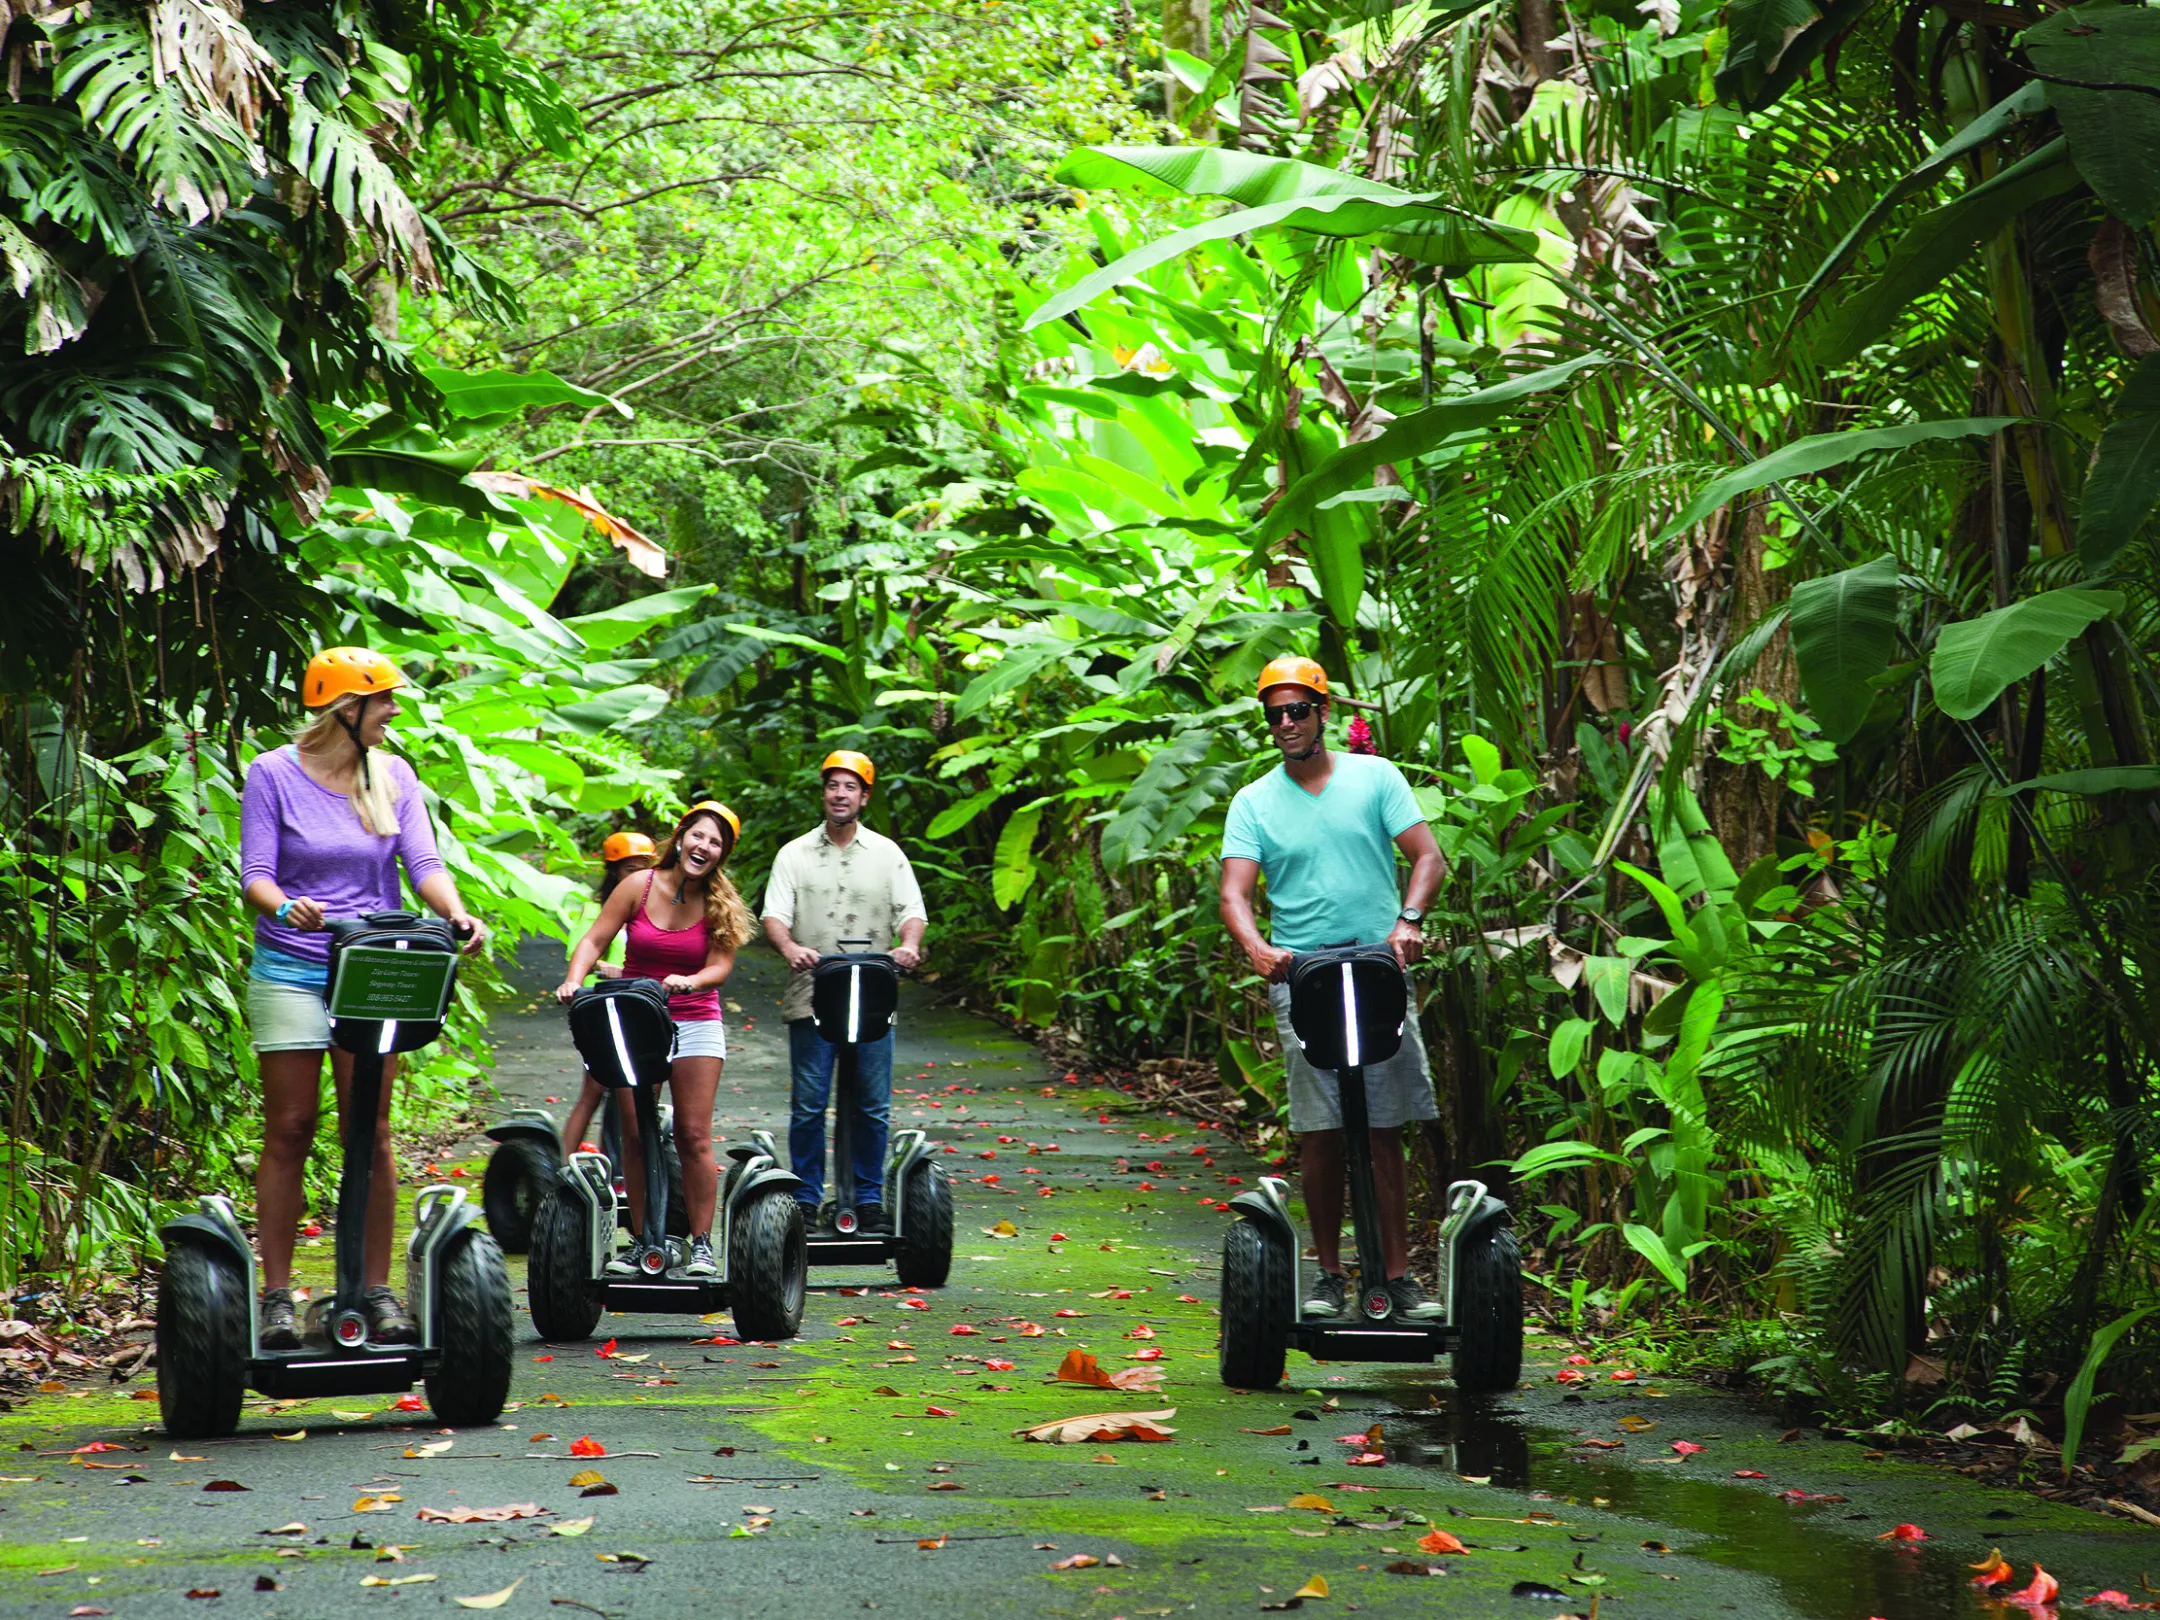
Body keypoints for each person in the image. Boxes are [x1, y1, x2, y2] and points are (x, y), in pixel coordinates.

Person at [240, 647, 488, 1351]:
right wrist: (288, 907)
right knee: (290, 1127)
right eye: (384, 702)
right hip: (292, 967)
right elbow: (255, 876)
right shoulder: (273, 773)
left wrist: (458, 913)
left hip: (373, 970)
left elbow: (424, 863)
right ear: (346, 709)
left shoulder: (394, 776)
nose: (394, 713)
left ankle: (375, 1290)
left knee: (369, 1131)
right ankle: (278, 1295)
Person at [1217, 656, 1448, 1320]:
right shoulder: (1254, 800)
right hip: (1306, 976)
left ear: (1322, 713)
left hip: (1378, 968)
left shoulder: (1375, 778)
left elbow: (1427, 855)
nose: (1285, 724)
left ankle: (1400, 1277)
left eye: (1296, 711)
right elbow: (1235, 892)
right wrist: (1259, 949)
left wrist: (1408, 922)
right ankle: (1328, 1276)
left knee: (1381, 1128)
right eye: (1274, 715)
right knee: (1320, 1131)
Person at [555, 803, 751, 1277]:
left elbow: (721, 966)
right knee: (636, 1134)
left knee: (693, 1135)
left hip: (694, 1018)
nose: (704, 847)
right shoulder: (637, 887)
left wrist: (693, 979)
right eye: (698, 836)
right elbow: (594, 940)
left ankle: (701, 1243)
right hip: (638, 1017)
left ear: (721, 854)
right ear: (682, 836)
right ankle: (643, 1241)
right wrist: (573, 980)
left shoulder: (719, 903)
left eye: (716, 843)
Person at [761, 751, 927, 1234]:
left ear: (864, 796)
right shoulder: (794, 854)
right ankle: (807, 1201)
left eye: (850, 787)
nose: (840, 794)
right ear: (823, 793)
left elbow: (910, 911)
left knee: (872, 1104)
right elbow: (775, 915)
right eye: (832, 785)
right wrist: (790, 947)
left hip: (873, 995)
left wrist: (909, 946)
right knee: (810, 1104)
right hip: (812, 993)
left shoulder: (887, 853)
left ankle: (869, 1200)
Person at [558, 832, 659, 1168]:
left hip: (637, 1010)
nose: (638, 875)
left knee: (630, 1100)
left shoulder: (653, 909)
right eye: (631, 868)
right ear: (615, 871)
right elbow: (583, 950)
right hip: (601, 1008)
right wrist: (610, 970)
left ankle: (614, 1169)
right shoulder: (596, 908)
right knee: (594, 1090)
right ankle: (561, 1166)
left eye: (645, 868)